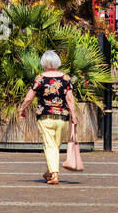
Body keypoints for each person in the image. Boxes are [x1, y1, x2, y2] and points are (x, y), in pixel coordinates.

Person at [18, 50, 78, 185]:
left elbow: (29, 97)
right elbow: (69, 98)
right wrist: (73, 115)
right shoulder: (65, 78)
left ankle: (55, 175)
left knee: (50, 145)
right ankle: (49, 172)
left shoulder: (40, 78)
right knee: (54, 146)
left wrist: (22, 109)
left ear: (44, 63)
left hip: (45, 116)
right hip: (62, 117)